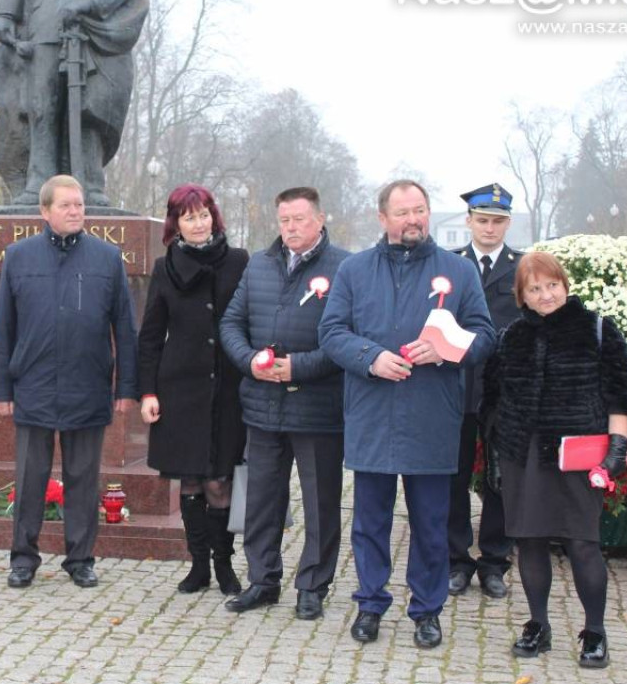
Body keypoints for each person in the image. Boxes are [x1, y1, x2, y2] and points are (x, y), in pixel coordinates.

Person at [319, 179, 495, 648]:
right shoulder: (355, 270)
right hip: (372, 414)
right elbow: (331, 332)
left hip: (432, 416)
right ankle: (370, 603)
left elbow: (485, 334)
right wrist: (370, 357)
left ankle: (427, 609)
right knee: (370, 521)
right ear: (383, 218)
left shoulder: (457, 272)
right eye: (403, 212)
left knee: (431, 523)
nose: (413, 219)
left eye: (419, 210)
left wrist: (445, 350)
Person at [480, 251, 627, 668]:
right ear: (522, 296)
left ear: (565, 286)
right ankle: (538, 625)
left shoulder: (598, 330)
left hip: (578, 456)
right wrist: (495, 456)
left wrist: (617, 448)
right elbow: (494, 402)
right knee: (529, 542)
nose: (545, 294)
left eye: (552, 285)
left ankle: (595, 632)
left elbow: (620, 395)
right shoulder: (511, 337)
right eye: (535, 288)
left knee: (583, 544)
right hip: (523, 456)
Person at [0, 174, 138, 589]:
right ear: (44, 211)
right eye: (66, 205)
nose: (75, 211)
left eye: (79, 205)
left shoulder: (107, 258)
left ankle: (80, 559)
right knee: (30, 476)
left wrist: (126, 386)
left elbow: (124, 327)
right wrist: (1, 389)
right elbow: (4, 326)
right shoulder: (19, 257)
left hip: (87, 384)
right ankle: (23, 558)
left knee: (83, 478)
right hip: (33, 385)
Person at [219, 187, 350, 621]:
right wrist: (249, 361)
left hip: (317, 409)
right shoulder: (259, 264)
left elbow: (347, 339)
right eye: (284, 221)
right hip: (261, 404)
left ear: (320, 218)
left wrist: (300, 368)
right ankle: (262, 580)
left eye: (299, 219)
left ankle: (313, 585)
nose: (291, 228)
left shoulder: (345, 267)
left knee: (320, 503)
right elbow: (232, 323)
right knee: (261, 499)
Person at [138, 184, 249, 596]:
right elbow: (150, 336)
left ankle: (224, 565)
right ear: (176, 224)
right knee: (188, 482)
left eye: (203, 215)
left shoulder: (239, 261)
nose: (198, 224)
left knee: (219, 480)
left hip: (227, 390)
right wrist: (147, 392)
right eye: (188, 217)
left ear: (214, 217)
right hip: (180, 391)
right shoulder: (165, 267)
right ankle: (197, 564)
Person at [0, 0, 148, 205]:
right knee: (42, 101)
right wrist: (5, 13)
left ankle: (89, 181)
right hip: (48, 10)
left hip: (100, 18)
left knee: (93, 100)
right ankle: (39, 181)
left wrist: (89, 2)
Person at [448, 184, 522, 599]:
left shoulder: (522, 267)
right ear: (469, 221)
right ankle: (457, 562)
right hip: (454, 389)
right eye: (482, 220)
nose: (489, 228)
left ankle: (495, 563)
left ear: (507, 223)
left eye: (497, 221)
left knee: (500, 482)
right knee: (452, 479)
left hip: (502, 395)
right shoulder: (449, 265)